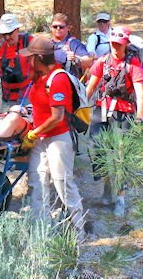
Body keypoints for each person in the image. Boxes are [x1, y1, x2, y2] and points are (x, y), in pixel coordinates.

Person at [18, 37, 85, 240]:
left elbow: (57, 117)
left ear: (39, 58)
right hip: (41, 137)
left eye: (31, 58)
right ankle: (41, 229)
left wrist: (33, 133)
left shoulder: (58, 79)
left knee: (63, 184)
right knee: (37, 182)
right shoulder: (40, 76)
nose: (28, 61)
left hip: (58, 138)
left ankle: (79, 230)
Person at [86, 25, 143, 216]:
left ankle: (120, 197)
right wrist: (79, 108)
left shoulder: (132, 64)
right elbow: (91, 86)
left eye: (119, 44)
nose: (115, 47)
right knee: (96, 148)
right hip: (102, 110)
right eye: (112, 43)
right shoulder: (102, 61)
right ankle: (107, 185)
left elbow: (140, 92)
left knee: (121, 156)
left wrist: (138, 117)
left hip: (123, 114)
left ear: (126, 44)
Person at [0, 13, 33, 111]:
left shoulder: (29, 42)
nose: (7, 37)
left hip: (28, 97)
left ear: (17, 30)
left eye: (10, 33)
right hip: (6, 98)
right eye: (4, 34)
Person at [51, 13, 92, 79]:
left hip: (70, 84)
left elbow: (89, 62)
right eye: (55, 26)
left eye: (61, 27)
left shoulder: (74, 43)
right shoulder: (48, 44)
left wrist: (76, 59)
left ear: (68, 28)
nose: (58, 29)